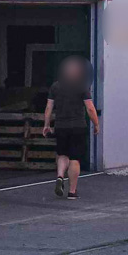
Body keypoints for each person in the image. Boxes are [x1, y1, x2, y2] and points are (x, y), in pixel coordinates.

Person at [43, 57, 100, 199]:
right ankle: (72, 191)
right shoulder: (82, 86)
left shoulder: (55, 86)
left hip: (61, 126)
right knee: (75, 159)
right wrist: (96, 124)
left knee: (62, 154)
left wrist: (46, 125)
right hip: (78, 127)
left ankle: (60, 176)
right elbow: (90, 108)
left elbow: (49, 107)